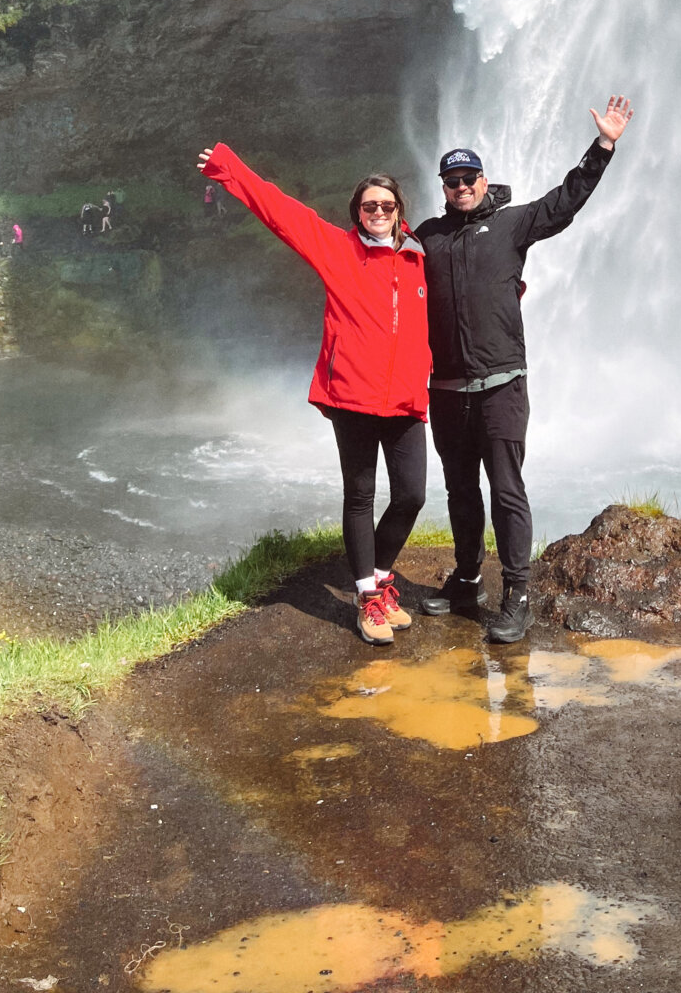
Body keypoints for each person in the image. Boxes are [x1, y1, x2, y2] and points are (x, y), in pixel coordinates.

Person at [416, 94, 634, 644]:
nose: (462, 186)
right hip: (446, 390)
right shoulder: (427, 239)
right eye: (452, 180)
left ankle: (518, 594)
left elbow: (565, 202)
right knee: (461, 490)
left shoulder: (513, 225)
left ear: (484, 181)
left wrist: (604, 145)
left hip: (502, 386)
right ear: (443, 187)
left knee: (506, 488)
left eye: (470, 177)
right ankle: (468, 580)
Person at [198, 142, 432, 646]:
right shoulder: (337, 248)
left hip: (407, 398)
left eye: (387, 206)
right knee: (361, 495)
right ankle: (367, 598)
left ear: (399, 212)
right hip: (352, 395)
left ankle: (382, 578)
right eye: (369, 206)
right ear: (357, 213)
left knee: (412, 494)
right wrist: (228, 168)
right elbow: (281, 212)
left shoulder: (418, 259)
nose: (378, 213)